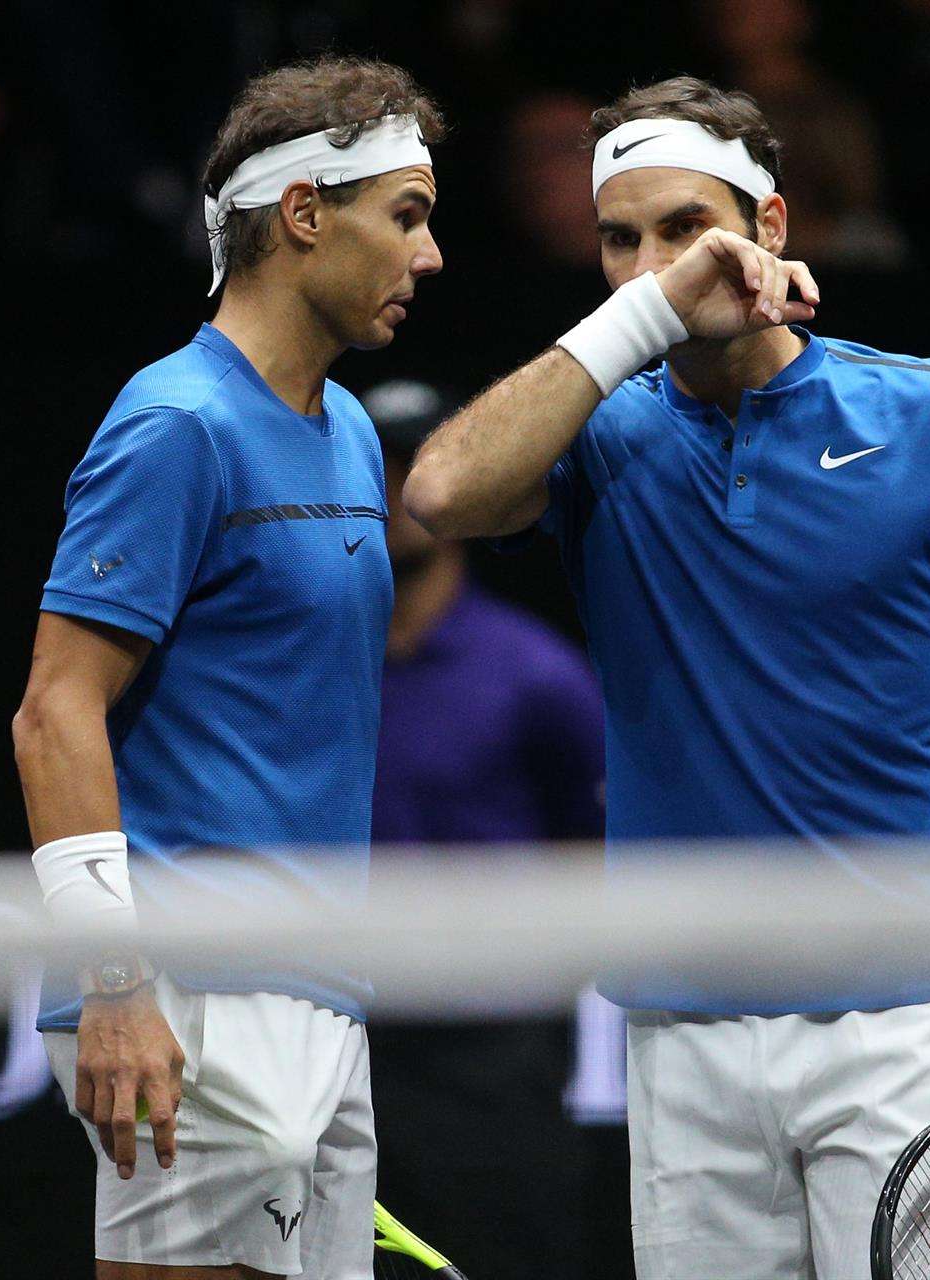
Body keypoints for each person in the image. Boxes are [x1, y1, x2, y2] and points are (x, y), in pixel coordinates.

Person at [404, 76, 930, 1280]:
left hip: (906, 1018)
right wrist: (641, 323)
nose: (652, 265)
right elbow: (438, 495)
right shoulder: (599, 431)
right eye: (619, 239)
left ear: (773, 226)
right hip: (683, 1029)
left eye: (687, 228)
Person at [10, 55, 444, 1280]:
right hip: (184, 990)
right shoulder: (174, 423)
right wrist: (116, 985)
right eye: (405, 216)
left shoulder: (353, 430)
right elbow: (54, 713)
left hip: (318, 990)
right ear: (305, 214)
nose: (432, 255)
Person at [362, 378, 605, 1279]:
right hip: (342, 1054)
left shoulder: (537, 677)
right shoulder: (308, 668)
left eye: (410, 464)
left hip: (494, 1069)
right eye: (373, 466)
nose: (390, 489)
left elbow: (597, 862)